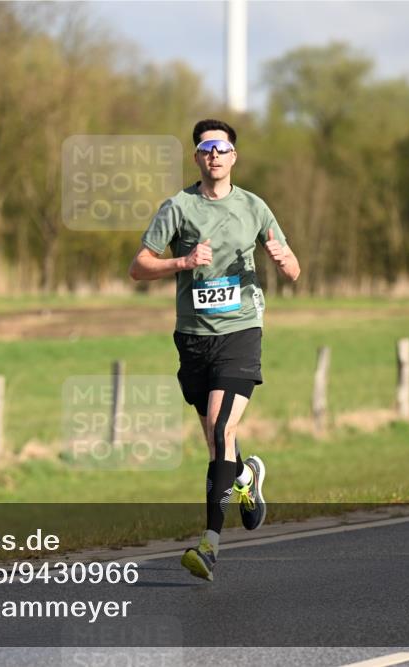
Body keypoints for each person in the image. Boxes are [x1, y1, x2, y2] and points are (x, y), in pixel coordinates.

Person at [128, 118, 300, 581]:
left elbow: (293, 268)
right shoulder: (178, 207)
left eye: (222, 148)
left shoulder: (254, 207)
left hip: (241, 330)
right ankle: (245, 478)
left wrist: (284, 260)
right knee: (215, 436)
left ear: (233, 156)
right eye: (206, 149)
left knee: (222, 428)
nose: (214, 155)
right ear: (197, 157)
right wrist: (183, 261)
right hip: (193, 337)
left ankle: (209, 545)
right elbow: (138, 267)